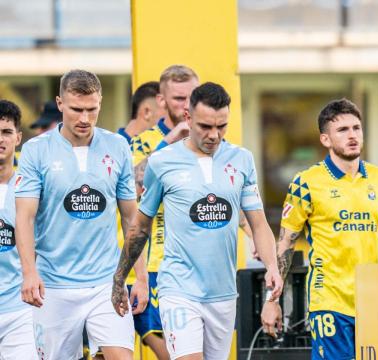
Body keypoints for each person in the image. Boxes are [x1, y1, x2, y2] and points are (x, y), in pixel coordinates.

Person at [112, 82, 283, 360]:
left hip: (223, 292)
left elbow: (259, 223)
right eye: (205, 126)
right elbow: (140, 225)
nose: (214, 135)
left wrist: (272, 266)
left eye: (221, 126)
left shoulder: (242, 160)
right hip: (178, 288)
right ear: (188, 118)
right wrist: (120, 277)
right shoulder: (162, 161)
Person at [15, 69, 148, 360]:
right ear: (60, 103)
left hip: (106, 282)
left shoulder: (117, 146)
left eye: (92, 109)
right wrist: (29, 273)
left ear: (100, 103)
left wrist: (140, 276)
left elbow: (131, 218)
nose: (84, 119)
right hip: (54, 286)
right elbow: (24, 218)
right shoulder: (36, 151)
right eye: (76, 109)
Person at [261, 98, 378, 359]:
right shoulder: (306, 183)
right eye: (342, 130)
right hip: (328, 300)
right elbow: (284, 245)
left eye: (356, 128)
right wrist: (271, 302)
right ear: (325, 140)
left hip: (373, 301)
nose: (352, 136)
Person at [125, 65, 199, 359]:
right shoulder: (143, 142)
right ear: (161, 101)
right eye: (178, 98)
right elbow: (128, 186)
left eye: (191, 98)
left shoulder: (207, 140)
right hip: (155, 264)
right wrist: (168, 143)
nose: (186, 105)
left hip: (198, 266)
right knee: (168, 351)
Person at [0, 100, 37, 359]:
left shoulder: (32, 188)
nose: (0, 139)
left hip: (20, 309)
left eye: (6, 132)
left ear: (18, 138)